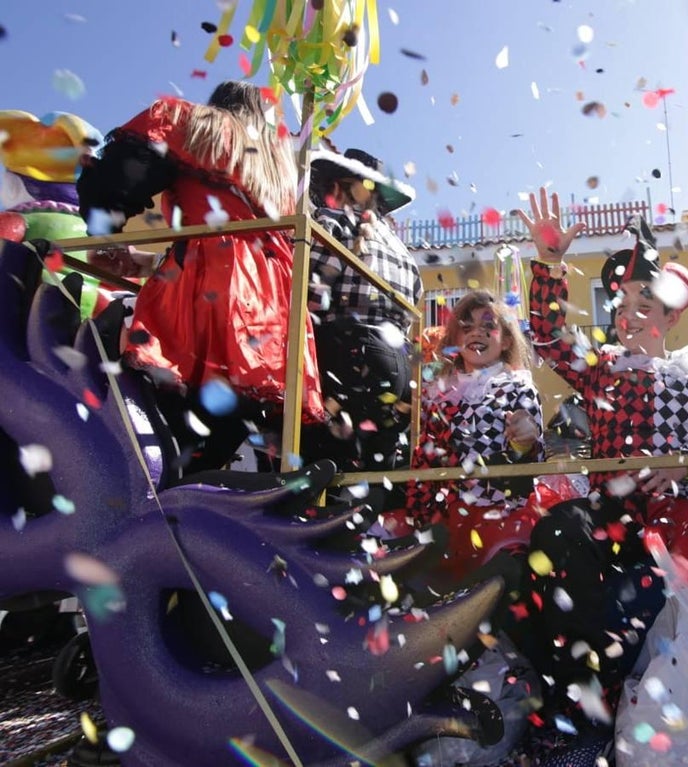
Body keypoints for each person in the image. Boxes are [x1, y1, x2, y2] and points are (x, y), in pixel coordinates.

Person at [517, 189, 688, 715]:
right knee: (557, 530)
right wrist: (551, 262)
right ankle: (583, 695)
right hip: (612, 508)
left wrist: (684, 462)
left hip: (684, 506)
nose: (627, 316)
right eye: (620, 307)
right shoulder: (602, 366)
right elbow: (549, 336)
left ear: (669, 319)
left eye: (642, 306)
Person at [77, 81, 325, 474]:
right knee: (219, 426)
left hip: (215, 284)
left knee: (150, 407)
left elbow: (122, 175)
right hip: (272, 299)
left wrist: (102, 223)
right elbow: (238, 232)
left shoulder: (199, 124)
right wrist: (141, 261)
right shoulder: (282, 167)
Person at [399, 290, 544, 581]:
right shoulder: (439, 396)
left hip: (503, 514)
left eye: (488, 325)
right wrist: (418, 518)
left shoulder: (518, 387)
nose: (476, 332)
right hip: (450, 517)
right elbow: (426, 459)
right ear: (455, 341)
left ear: (505, 340)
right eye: (467, 326)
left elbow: (530, 463)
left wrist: (523, 441)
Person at [305, 147, 422, 473]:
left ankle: (313, 516)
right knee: (365, 468)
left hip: (350, 359)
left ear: (340, 188)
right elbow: (412, 309)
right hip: (399, 367)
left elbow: (311, 296)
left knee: (315, 457)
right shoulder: (401, 248)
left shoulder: (332, 222)